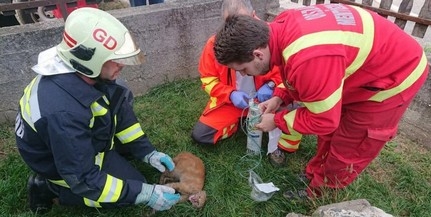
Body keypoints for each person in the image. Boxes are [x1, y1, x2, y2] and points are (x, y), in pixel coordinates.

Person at [213, 4, 429, 198]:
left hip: (394, 76)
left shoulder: (309, 58)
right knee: (329, 135)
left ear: (258, 55)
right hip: (362, 64)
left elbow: (324, 120)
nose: (247, 75)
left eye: (243, 69)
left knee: (349, 145)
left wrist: (277, 121)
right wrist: (281, 96)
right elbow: (293, 72)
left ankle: (320, 193)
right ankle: (313, 175)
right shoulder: (279, 27)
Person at [14, 7, 180, 214]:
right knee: (131, 188)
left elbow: (119, 111)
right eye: (114, 58)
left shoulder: (83, 71)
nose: (122, 64)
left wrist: (146, 152)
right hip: (58, 163)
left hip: (72, 141)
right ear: (90, 58)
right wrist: (144, 193)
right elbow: (83, 179)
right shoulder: (64, 113)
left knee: (122, 93)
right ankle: (48, 187)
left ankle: (115, 158)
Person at [191, 0, 300, 167]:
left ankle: (279, 147)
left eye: (243, 23)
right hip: (231, 102)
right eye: (232, 25)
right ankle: (241, 122)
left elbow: (288, 78)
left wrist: (272, 87)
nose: (237, 32)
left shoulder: (273, 37)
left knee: (290, 113)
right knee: (202, 135)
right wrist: (230, 94)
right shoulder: (215, 44)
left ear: (253, 16)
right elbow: (208, 79)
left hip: (269, 100)